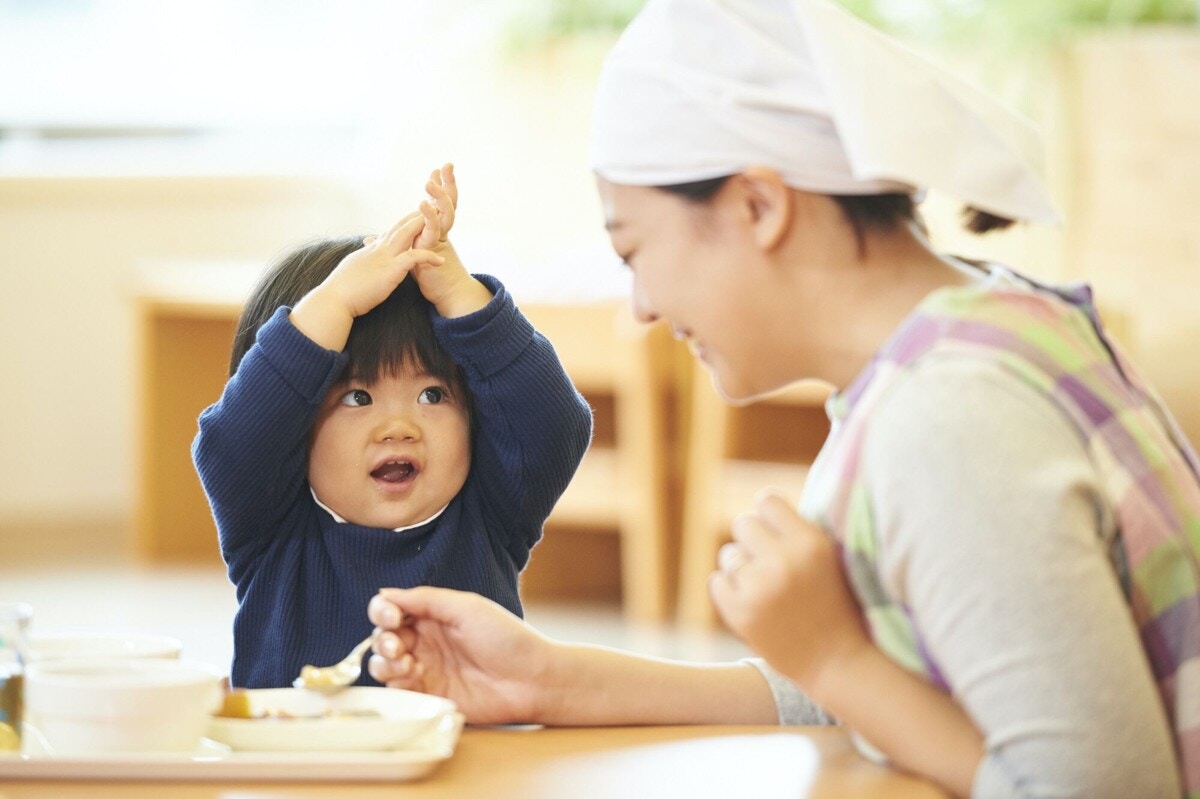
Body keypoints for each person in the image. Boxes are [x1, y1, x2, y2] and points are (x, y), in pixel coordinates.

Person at [366, 3, 1200, 798]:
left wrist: (838, 656)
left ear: (759, 206)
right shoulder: (981, 333)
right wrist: (544, 677)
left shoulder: (950, 417)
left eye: (635, 249)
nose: (641, 308)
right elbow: (904, 700)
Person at [192, 165, 593, 690]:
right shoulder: (273, 531)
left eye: (433, 395)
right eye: (358, 397)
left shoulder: (490, 517)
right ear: (294, 423)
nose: (400, 427)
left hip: (468, 769)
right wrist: (334, 302)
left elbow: (552, 424)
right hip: (299, 769)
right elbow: (236, 444)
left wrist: (457, 291)